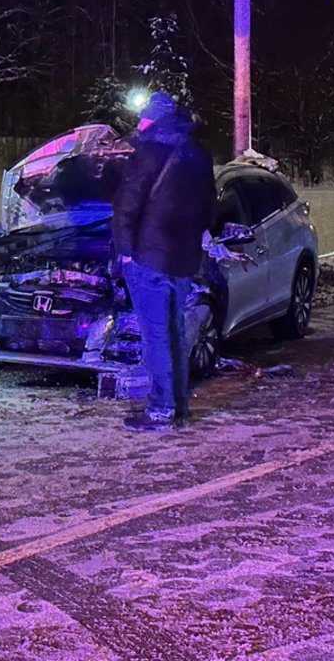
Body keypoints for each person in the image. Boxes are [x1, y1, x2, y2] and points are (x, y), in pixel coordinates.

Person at [111, 91, 217, 431]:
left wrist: (125, 250)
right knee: (175, 332)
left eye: (143, 118)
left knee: (156, 336)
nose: (139, 124)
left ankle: (161, 409)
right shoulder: (198, 153)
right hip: (184, 259)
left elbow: (128, 205)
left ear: (152, 119)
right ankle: (178, 406)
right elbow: (209, 210)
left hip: (148, 258)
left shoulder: (148, 153)